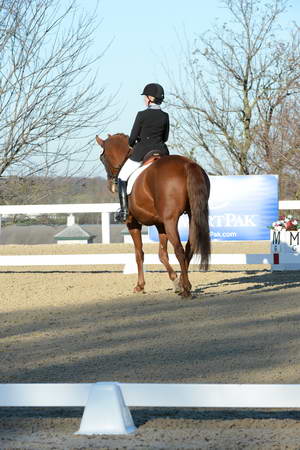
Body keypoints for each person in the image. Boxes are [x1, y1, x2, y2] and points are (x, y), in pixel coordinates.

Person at [115, 83, 170, 223]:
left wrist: (133, 143)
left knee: (122, 177)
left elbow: (132, 138)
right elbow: (165, 138)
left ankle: (124, 211)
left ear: (150, 98)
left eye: (145, 97)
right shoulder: (165, 116)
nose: (144, 99)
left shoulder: (141, 115)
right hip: (162, 151)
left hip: (142, 151)